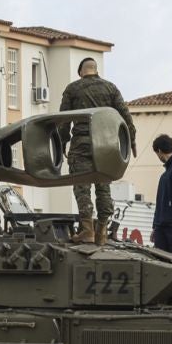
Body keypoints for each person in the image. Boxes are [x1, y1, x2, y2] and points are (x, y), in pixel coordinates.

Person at [58, 56, 136, 245]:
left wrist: (62, 142)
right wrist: (131, 140)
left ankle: (87, 230)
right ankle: (102, 230)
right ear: (96, 70)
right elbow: (125, 117)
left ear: (80, 72)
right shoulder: (111, 88)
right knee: (104, 187)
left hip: (82, 144)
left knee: (82, 187)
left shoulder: (73, 89)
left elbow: (63, 120)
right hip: (106, 147)